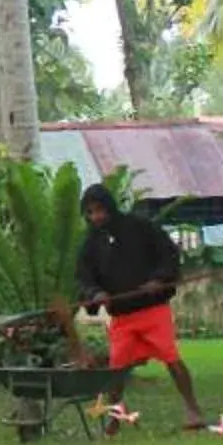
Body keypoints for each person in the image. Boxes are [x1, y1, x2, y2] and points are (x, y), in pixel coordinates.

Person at [74, 183, 207, 429]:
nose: (96, 217)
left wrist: (159, 279)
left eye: (100, 210)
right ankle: (114, 418)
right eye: (90, 212)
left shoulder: (139, 227)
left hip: (152, 311)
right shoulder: (90, 244)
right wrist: (96, 293)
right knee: (117, 369)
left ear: (110, 208)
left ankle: (193, 410)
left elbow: (168, 253)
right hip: (122, 317)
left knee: (171, 358)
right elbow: (84, 277)